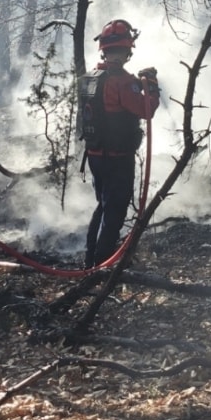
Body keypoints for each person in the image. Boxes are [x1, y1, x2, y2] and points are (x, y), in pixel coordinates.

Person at [83, 19, 159, 268]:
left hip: (95, 155)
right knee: (114, 211)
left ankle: (90, 260)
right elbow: (146, 110)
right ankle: (102, 265)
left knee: (103, 206)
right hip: (117, 158)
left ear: (103, 50)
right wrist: (152, 87)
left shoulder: (91, 78)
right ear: (127, 50)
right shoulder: (123, 82)